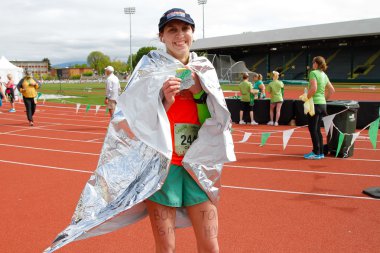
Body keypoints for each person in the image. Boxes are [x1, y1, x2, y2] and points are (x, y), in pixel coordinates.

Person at [44, 8, 235, 253]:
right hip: (161, 171)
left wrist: (198, 93)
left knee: (210, 245)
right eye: (172, 30)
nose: (179, 35)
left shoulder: (205, 69)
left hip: (198, 166)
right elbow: (135, 119)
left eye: (185, 29)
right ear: (161, 36)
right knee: (166, 246)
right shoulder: (150, 68)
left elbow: (216, 123)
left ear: (193, 33)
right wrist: (165, 102)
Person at [304, 56, 335, 160]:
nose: (312, 64)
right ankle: (320, 152)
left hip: (314, 105)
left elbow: (314, 88)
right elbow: (331, 90)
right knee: (317, 129)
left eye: (313, 63)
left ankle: (316, 152)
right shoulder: (324, 75)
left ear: (316, 64)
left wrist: (306, 98)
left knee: (313, 129)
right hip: (322, 105)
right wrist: (323, 99)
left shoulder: (313, 73)